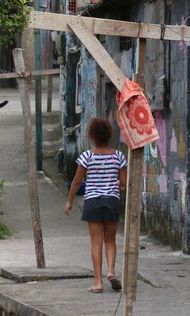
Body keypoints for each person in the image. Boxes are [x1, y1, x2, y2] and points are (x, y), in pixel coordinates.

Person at [65, 117, 127, 293]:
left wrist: (69, 201)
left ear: (91, 136)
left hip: (92, 201)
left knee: (96, 242)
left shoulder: (86, 156)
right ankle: (111, 272)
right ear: (110, 135)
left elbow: (77, 182)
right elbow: (123, 182)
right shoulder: (118, 156)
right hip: (112, 200)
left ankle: (98, 283)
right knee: (110, 240)